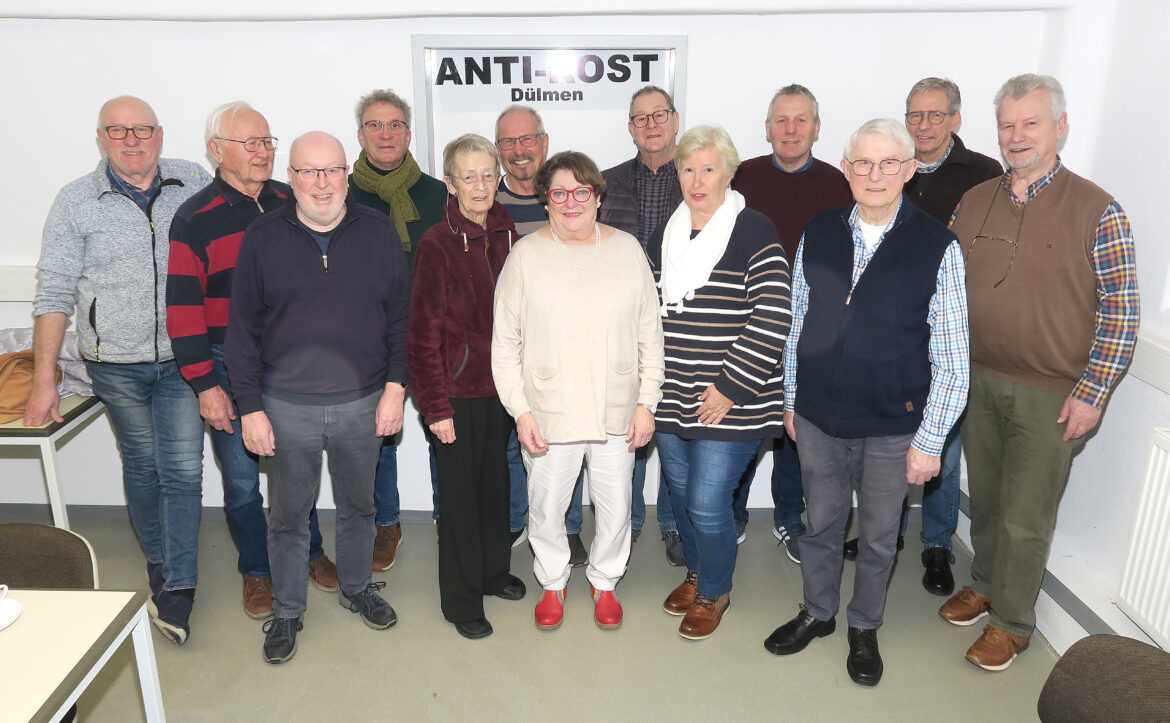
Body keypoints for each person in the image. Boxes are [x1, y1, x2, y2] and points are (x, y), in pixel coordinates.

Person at [942, 74, 1139, 671]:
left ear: (1060, 126)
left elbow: (1121, 311)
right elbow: (944, 288)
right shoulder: (974, 201)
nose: (1017, 135)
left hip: (1052, 393)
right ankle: (984, 583)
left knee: (1027, 515)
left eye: (1030, 123)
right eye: (1007, 124)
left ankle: (1012, 622)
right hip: (975, 380)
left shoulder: (1098, 209)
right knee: (987, 498)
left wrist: (1093, 392)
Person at [763, 119, 969, 687]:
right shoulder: (819, 230)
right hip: (817, 418)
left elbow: (954, 359)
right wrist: (790, 399)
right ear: (846, 169)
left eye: (888, 163)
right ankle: (818, 611)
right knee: (820, 523)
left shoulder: (938, 246)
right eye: (862, 163)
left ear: (909, 170)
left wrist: (930, 442)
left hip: (892, 426)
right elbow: (797, 321)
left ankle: (863, 626)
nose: (875, 175)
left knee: (878, 536)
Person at [26, 96, 211, 645]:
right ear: (101, 138)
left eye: (142, 130)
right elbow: (54, 292)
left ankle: (178, 586)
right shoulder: (76, 201)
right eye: (118, 130)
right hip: (115, 367)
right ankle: (160, 560)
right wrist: (44, 380)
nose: (132, 140)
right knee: (143, 465)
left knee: (183, 469)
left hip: (184, 359)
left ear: (160, 134)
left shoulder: (192, 181)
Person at [226, 131, 411, 664]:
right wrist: (250, 409)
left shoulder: (378, 232)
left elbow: (402, 318)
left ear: (347, 175)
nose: (322, 183)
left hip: (364, 400)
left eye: (332, 170)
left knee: (359, 506)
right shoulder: (262, 238)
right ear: (291, 179)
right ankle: (287, 610)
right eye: (309, 171)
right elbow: (241, 334)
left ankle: (357, 587)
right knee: (287, 517)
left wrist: (396, 388)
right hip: (286, 407)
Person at [166, 102, 337, 621]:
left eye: (267, 142)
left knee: (297, 468)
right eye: (250, 143)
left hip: (289, 362)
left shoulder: (291, 199)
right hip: (224, 362)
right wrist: (205, 385)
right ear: (216, 150)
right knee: (241, 479)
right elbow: (182, 310)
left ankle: (310, 552)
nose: (263, 152)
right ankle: (257, 570)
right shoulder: (194, 218)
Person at [492, 151, 664, 632]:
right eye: (560, 193)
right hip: (549, 411)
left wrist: (647, 403)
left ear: (597, 197)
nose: (571, 202)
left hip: (617, 407)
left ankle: (605, 580)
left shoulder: (626, 250)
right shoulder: (525, 256)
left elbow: (650, 334)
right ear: (546, 200)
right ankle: (553, 580)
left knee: (616, 505)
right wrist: (521, 411)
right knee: (547, 506)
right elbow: (504, 343)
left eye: (581, 191)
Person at [843, 77, 1001, 596]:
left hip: (943, 327)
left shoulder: (984, 176)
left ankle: (936, 544)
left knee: (940, 451)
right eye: (915, 115)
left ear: (956, 118)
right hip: (891, 337)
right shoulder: (885, 167)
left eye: (935, 115)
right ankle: (882, 532)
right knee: (881, 452)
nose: (924, 124)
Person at [650, 125, 791, 640]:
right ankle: (697, 573)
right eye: (688, 169)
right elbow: (648, 311)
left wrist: (730, 386)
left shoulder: (753, 229)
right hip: (671, 395)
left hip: (732, 400)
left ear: (728, 174)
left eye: (708, 169)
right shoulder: (666, 233)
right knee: (683, 495)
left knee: (708, 504)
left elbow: (774, 313)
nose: (697, 180)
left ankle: (714, 591)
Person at [408, 134, 526, 640]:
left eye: (487, 175)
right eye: (468, 176)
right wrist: (435, 407)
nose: (479, 186)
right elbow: (421, 335)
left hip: (504, 390)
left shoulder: (508, 233)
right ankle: (460, 601)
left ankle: (493, 572)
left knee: (496, 489)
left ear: (498, 178)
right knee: (459, 499)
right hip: (456, 394)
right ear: (450, 183)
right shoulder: (436, 244)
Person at [732, 84, 852, 564]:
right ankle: (732, 514)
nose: (790, 129)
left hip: (810, 328)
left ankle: (788, 517)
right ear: (767, 128)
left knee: (792, 426)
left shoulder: (837, 184)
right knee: (741, 423)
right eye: (781, 120)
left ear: (816, 128)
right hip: (746, 323)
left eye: (801, 120)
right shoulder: (741, 177)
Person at [349, 88, 448, 571]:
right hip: (367, 336)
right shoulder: (340, 192)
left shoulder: (438, 194)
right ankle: (386, 522)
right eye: (375, 125)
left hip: (432, 332)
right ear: (361, 134)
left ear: (409, 134)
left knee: (442, 428)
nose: (385, 134)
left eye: (394, 125)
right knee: (378, 436)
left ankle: (448, 516)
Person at [493, 105, 587, 564]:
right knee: (516, 444)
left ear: (544, 143)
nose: (519, 150)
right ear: (498, 150)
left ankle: (568, 528)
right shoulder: (488, 203)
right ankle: (519, 518)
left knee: (567, 443)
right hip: (511, 347)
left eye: (527, 139)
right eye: (508, 142)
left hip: (564, 350)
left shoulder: (567, 200)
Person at [598, 85, 684, 565]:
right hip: (622, 329)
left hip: (683, 325)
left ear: (675, 120)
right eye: (640, 118)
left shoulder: (698, 179)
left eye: (659, 115)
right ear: (630, 128)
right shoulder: (606, 183)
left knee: (672, 429)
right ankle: (624, 523)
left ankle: (672, 523)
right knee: (623, 426)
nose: (651, 125)